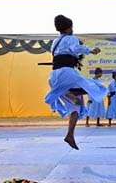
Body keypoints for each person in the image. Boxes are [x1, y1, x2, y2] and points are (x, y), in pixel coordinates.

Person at [44, 15, 106, 149]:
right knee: (96, 86)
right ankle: (70, 93)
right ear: (69, 28)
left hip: (54, 76)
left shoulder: (55, 42)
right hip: (66, 74)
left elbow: (62, 55)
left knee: (77, 108)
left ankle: (70, 135)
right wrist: (91, 50)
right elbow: (76, 48)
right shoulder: (71, 38)